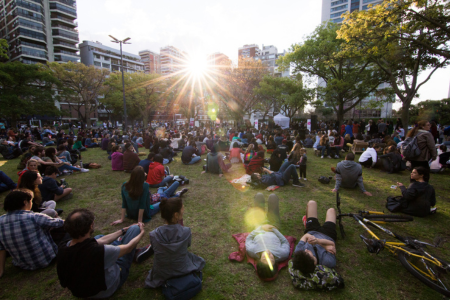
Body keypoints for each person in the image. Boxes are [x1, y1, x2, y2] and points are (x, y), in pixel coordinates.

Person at [56, 209, 151, 298]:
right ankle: (129, 248)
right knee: (134, 229)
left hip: (79, 292)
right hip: (105, 290)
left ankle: (120, 240)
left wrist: (122, 231)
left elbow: (98, 241)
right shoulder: (99, 251)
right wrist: (141, 232)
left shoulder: (64, 247)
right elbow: (129, 248)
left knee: (98, 237)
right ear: (91, 226)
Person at [0, 190, 64, 277]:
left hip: (22, 265)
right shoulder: (33, 217)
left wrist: (1, 270)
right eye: (31, 201)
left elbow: (1, 248)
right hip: (46, 259)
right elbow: (61, 223)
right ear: (25, 202)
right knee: (64, 231)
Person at [144, 197, 205, 288]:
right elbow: (187, 245)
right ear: (176, 215)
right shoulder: (186, 231)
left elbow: (155, 248)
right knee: (195, 259)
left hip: (162, 270)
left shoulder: (153, 234)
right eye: (182, 208)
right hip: (181, 266)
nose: (183, 210)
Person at [245, 193, 290, 279]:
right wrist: (274, 229)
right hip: (273, 225)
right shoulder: (282, 254)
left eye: (265, 258)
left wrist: (261, 227)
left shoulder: (252, 251)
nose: (268, 254)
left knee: (259, 196)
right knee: (273, 197)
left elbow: (249, 238)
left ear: (259, 261)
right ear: (275, 262)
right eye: (272, 259)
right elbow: (285, 242)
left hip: (259, 225)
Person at [292, 200, 337, 276]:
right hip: (328, 235)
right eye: (307, 253)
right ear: (313, 262)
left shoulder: (299, 254)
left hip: (312, 231)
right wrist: (318, 241)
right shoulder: (327, 262)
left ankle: (307, 221)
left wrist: (315, 240)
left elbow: (305, 236)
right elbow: (332, 244)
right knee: (331, 210)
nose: (305, 250)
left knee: (311, 203)